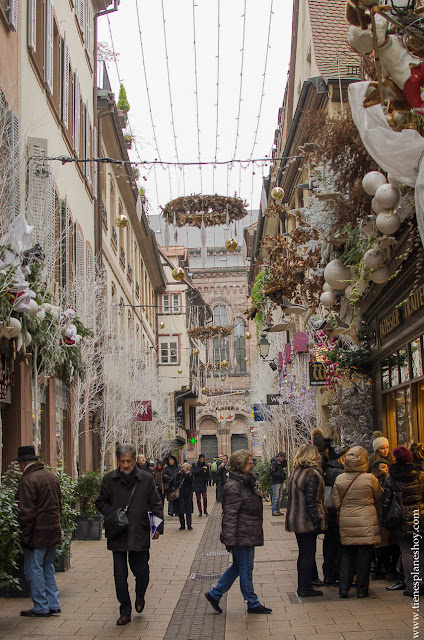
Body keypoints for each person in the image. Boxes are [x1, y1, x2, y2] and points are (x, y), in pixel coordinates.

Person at [96, 443, 164, 626]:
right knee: (120, 575)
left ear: (134, 460)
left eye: (129, 461)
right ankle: (125, 610)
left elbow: (156, 504)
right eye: (122, 461)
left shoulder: (146, 479)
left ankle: (140, 595)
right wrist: (113, 514)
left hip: (139, 530)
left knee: (141, 571)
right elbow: (100, 502)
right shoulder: (109, 479)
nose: (125, 465)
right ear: (117, 461)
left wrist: (156, 527)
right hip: (118, 532)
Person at [205, 450, 272, 615]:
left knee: (238, 566)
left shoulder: (244, 482)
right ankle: (252, 602)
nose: (253, 465)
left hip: (246, 531)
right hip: (242, 534)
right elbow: (229, 515)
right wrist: (229, 539)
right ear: (241, 466)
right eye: (250, 463)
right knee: (246, 568)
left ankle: (215, 594)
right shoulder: (234, 486)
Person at [16, 445, 62, 618]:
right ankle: (53, 603)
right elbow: (59, 505)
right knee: (47, 567)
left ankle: (41, 606)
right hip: (52, 531)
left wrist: (25, 536)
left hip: (37, 533)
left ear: (23, 463)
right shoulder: (51, 476)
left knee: (34, 569)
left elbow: (26, 513)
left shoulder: (28, 480)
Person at [332, 446, 382, 599]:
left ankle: (344, 588)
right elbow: (379, 497)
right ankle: (362, 590)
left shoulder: (340, 479)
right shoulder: (370, 479)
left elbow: (335, 502)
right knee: (364, 556)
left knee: (346, 554)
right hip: (367, 521)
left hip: (347, 522)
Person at [382, 445, 424, 597]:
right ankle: (421, 582)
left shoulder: (391, 477)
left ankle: (412, 586)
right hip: (420, 517)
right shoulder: (420, 474)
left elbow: (387, 501)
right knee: (420, 550)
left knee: (407, 552)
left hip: (402, 519)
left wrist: (385, 519)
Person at [285, 444, 327, 597]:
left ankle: (304, 585)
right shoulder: (311, 474)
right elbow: (311, 500)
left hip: (297, 519)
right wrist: (317, 520)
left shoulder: (295, 473)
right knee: (308, 554)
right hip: (307, 520)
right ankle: (305, 587)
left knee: (303, 553)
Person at [322, 446, 348, 586]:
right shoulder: (339, 472)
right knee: (338, 545)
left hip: (329, 513)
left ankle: (328, 574)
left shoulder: (327, 469)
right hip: (337, 513)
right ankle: (337, 573)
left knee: (329, 545)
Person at [172, 462, 194, 530]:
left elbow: (190, 481)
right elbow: (175, 482)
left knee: (188, 511)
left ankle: (189, 524)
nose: (184, 469)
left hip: (187, 494)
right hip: (180, 494)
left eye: (186, 467)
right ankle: (182, 525)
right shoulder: (179, 474)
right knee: (180, 510)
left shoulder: (190, 474)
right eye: (183, 467)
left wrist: (184, 474)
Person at [269, 451, 287, 516]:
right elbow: (271, 472)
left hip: (280, 481)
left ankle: (278, 510)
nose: (283, 458)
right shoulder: (274, 463)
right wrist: (279, 475)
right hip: (275, 482)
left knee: (280, 497)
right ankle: (274, 510)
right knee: (276, 496)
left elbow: (285, 465)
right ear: (279, 456)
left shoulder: (280, 463)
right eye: (283, 457)